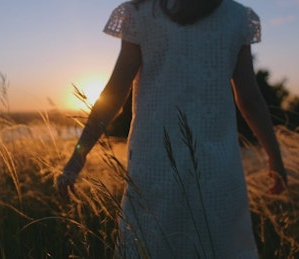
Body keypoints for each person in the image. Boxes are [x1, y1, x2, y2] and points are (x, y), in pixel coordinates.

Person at [57, 0, 287, 258]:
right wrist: (275, 159)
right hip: (217, 168)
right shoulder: (236, 17)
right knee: (217, 246)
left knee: (151, 246)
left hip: (154, 165)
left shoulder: (141, 12)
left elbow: (115, 92)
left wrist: (77, 158)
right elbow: (250, 100)